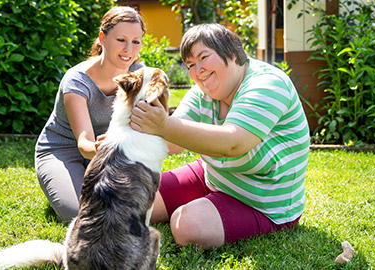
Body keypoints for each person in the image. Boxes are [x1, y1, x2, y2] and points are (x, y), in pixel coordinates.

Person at [130, 23, 310, 249]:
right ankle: (206, 204)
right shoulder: (203, 90)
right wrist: (125, 138)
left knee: (186, 225)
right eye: (190, 65)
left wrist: (163, 125)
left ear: (233, 52)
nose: (197, 71)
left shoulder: (267, 84)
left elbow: (233, 143)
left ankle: (210, 210)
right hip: (214, 176)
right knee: (130, 197)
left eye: (204, 57)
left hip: (263, 202)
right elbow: (173, 143)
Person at [35, 6, 145, 223]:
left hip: (111, 153)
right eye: (121, 39)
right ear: (102, 38)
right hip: (64, 151)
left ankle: (84, 183)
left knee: (133, 206)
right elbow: (84, 144)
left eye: (135, 41)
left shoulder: (139, 76)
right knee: (82, 215)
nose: (128, 49)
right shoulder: (76, 80)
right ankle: (61, 181)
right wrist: (101, 148)